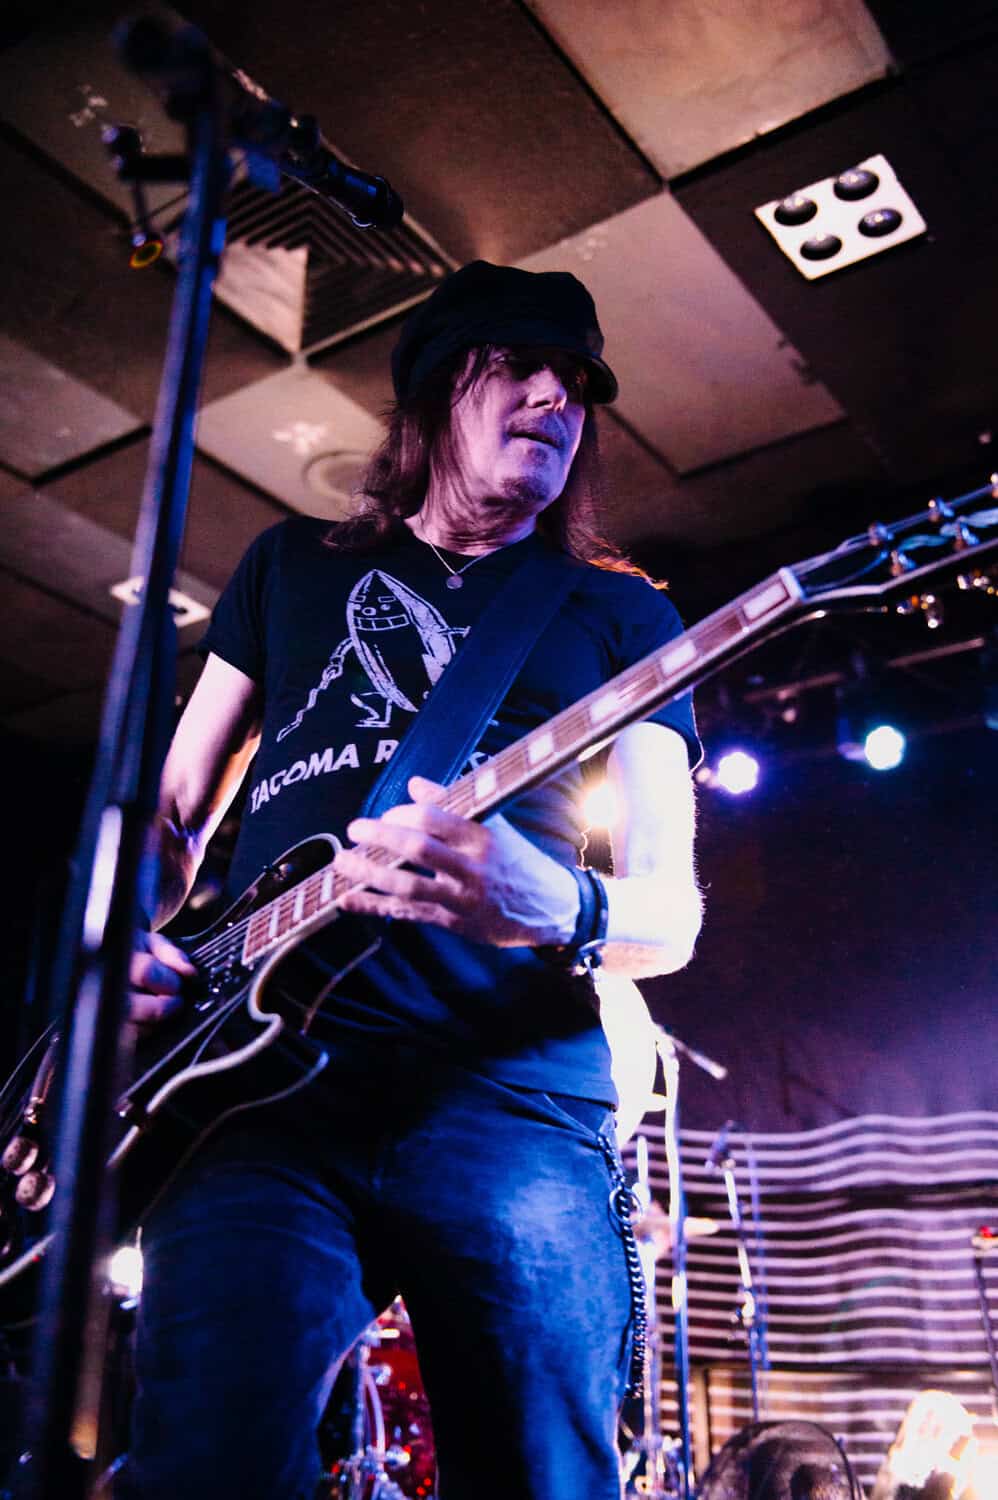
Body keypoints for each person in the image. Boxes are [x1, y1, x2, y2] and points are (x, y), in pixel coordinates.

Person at [124, 260, 703, 1500]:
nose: (556, 397)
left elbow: (672, 914)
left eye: (577, 382)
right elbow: (168, 816)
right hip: (255, 1102)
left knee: (543, 1476)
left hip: (509, 1101)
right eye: (520, 365)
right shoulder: (288, 567)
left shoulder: (621, 618)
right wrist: (114, 938)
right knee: (200, 1462)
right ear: (439, 388)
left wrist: (559, 906)